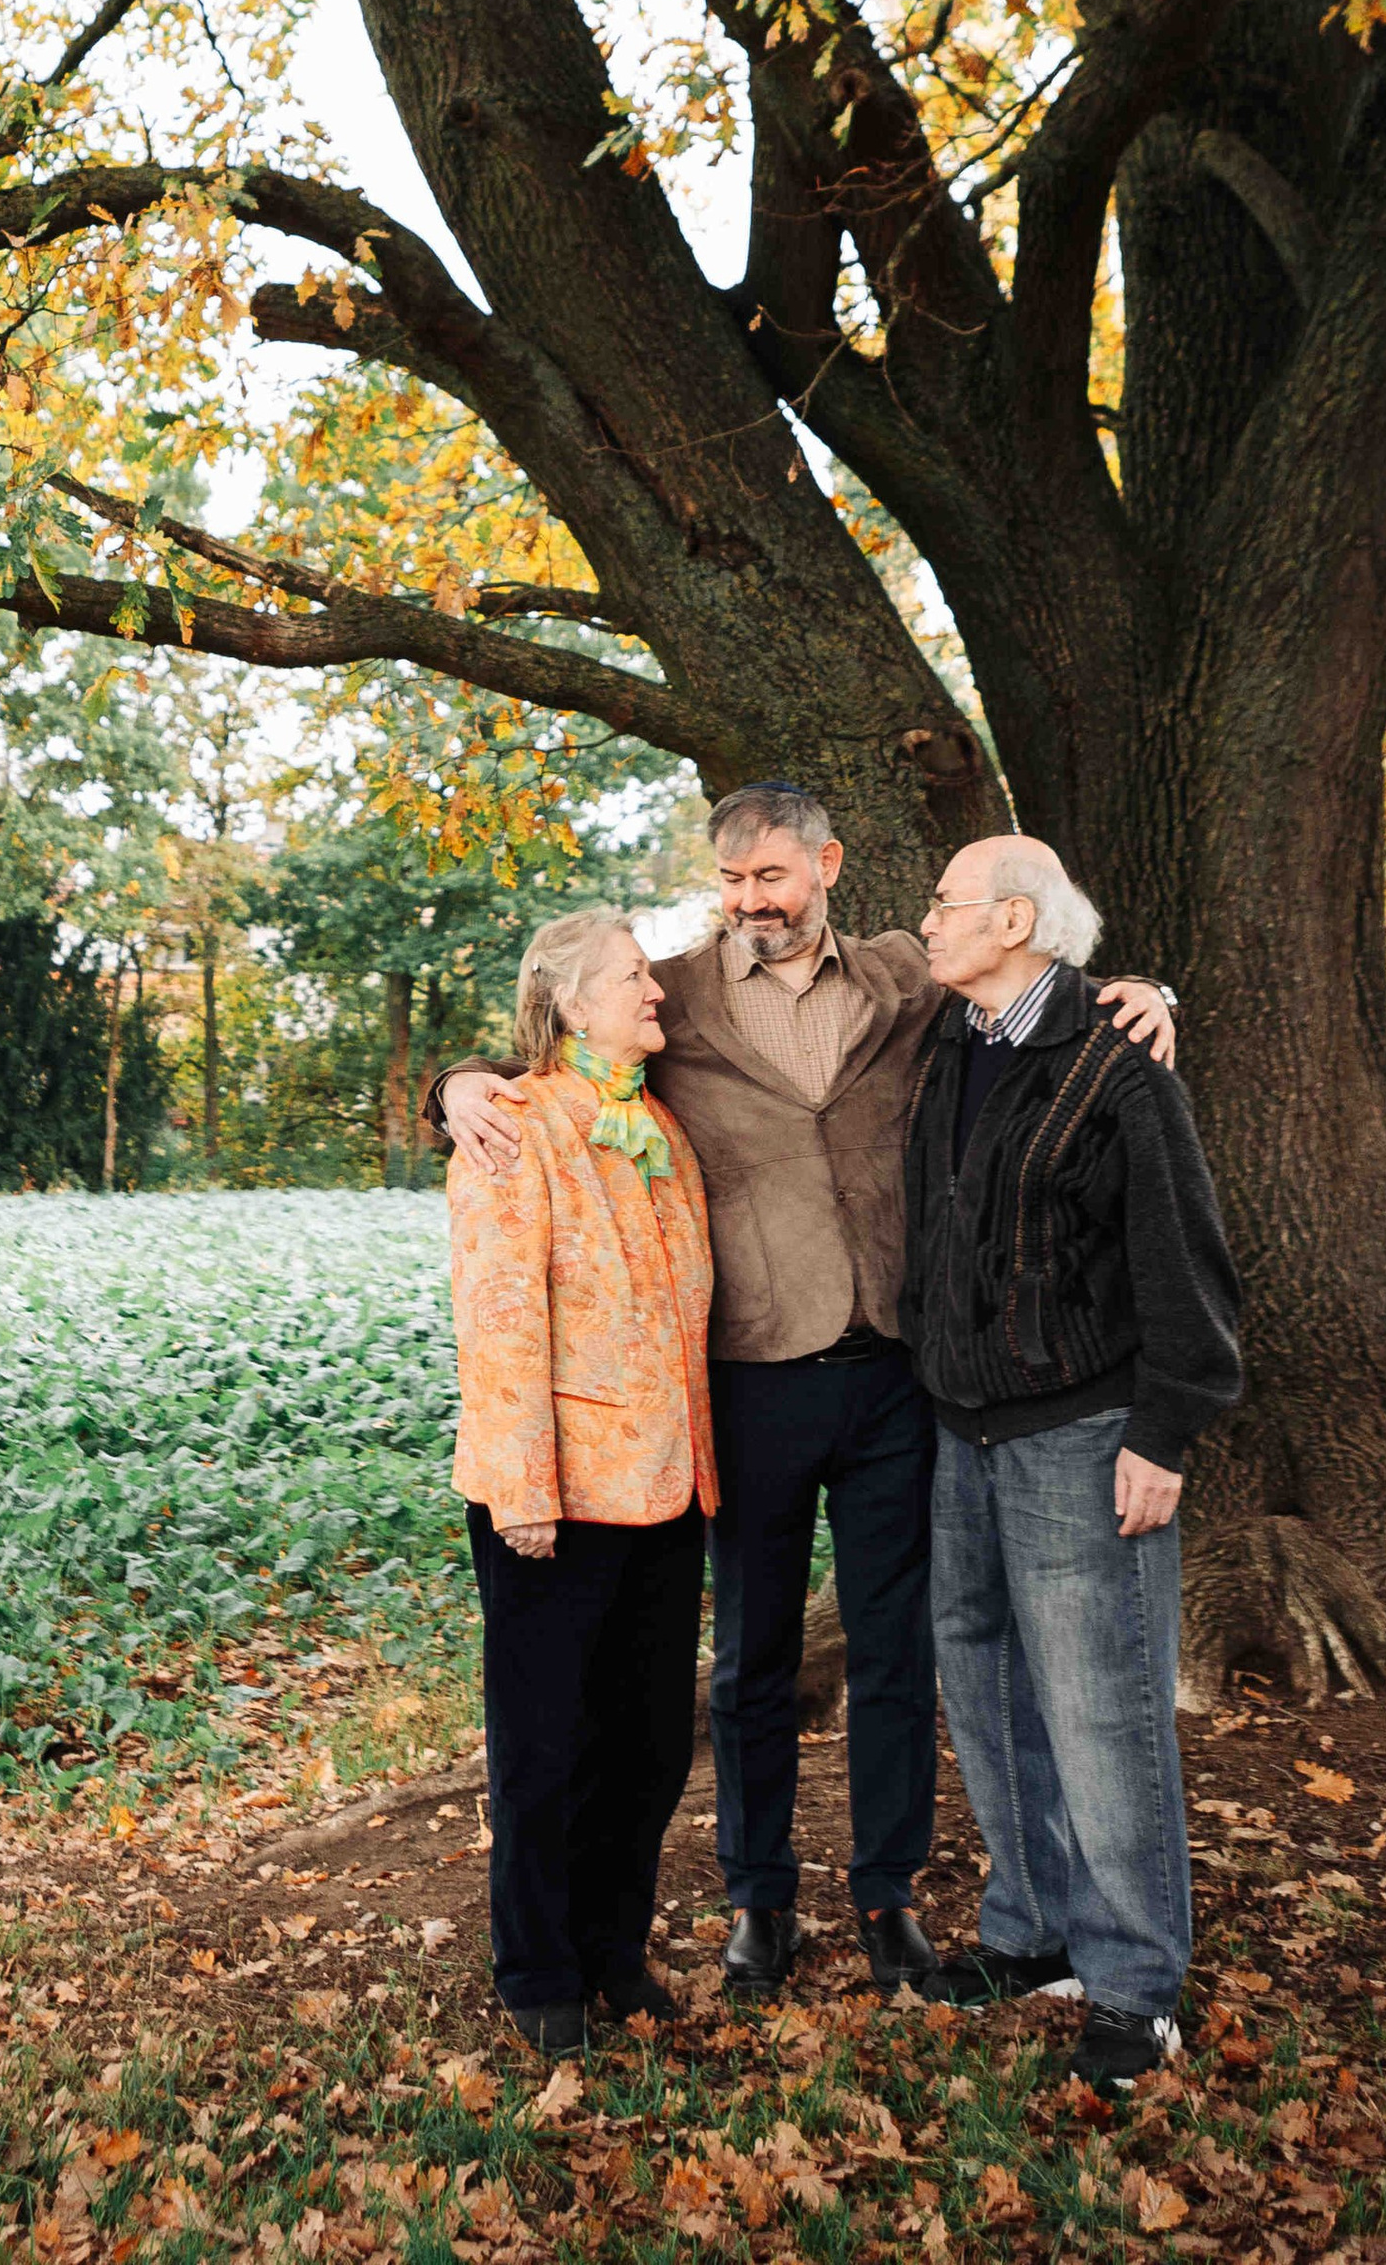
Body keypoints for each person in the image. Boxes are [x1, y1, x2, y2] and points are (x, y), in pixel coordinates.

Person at [429, 784, 1174, 1999]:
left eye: (771, 877)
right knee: (751, 1658)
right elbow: (552, 1050)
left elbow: (1028, 978)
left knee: (896, 1653)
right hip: (747, 1383)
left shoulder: (904, 977)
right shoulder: (672, 998)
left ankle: (885, 1895)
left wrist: (1150, 994)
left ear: (824, 865)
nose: (750, 903)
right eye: (729, 883)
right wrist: (455, 1083)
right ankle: (755, 1900)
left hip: (892, 1372)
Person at [906, 836, 1241, 2095]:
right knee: (988, 1698)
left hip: (1081, 1436)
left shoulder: (1118, 1063)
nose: (923, 923)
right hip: (960, 1429)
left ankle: (1133, 1986)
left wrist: (1162, 1434)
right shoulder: (949, 1040)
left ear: (1011, 920)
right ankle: (1032, 1933)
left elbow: (1184, 1263)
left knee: (1102, 1715)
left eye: (941, 904)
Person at [448, 906, 719, 2059]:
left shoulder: (658, 1124)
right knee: (546, 1747)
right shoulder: (520, 1125)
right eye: (631, 979)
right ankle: (539, 1966)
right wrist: (522, 1492)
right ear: (567, 1003)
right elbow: (501, 1319)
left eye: (651, 976)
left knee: (650, 1744)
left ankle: (616, 1950)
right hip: (550, 1499)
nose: (655, 993)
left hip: (666, 1490)